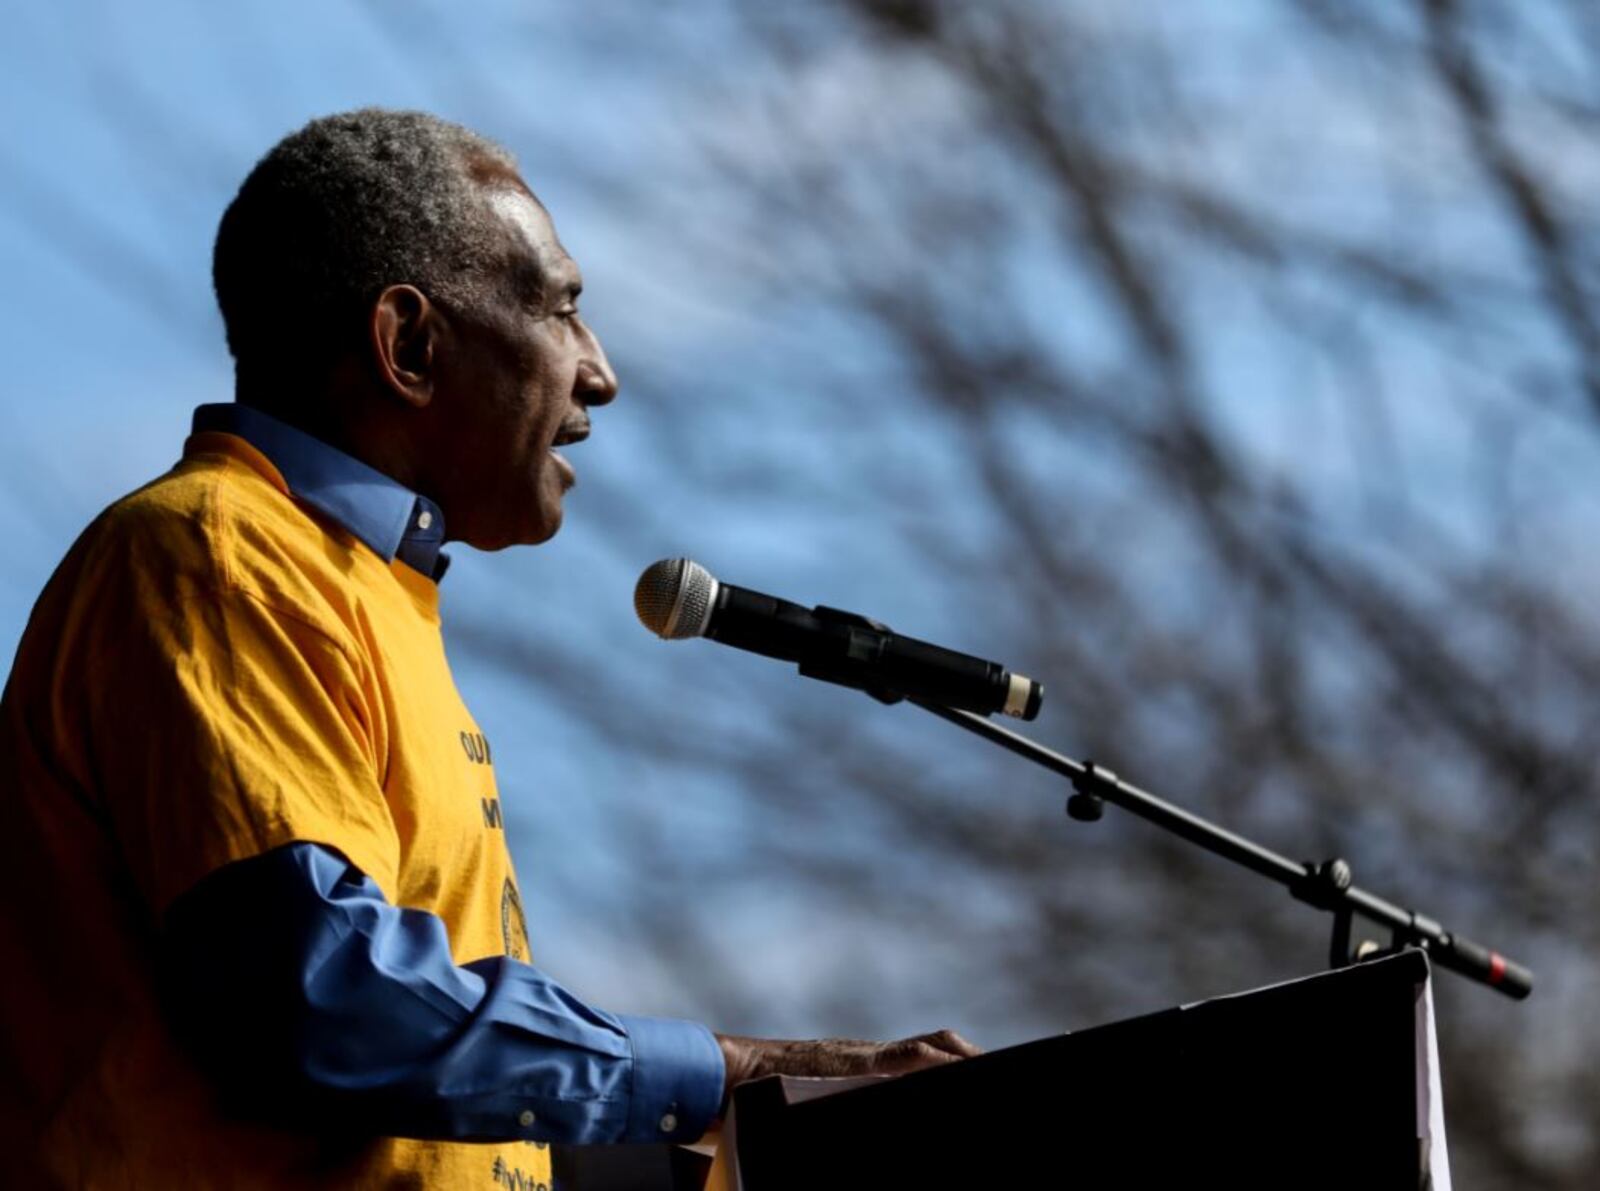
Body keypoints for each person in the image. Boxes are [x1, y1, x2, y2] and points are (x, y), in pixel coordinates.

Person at [0, 109, 978, 1189]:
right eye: (562, 308)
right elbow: (326, 1001)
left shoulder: (357, 588)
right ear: (411, 345)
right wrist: (723, 1074)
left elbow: (430, 1114)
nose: (598, 373)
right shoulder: (220, 555)